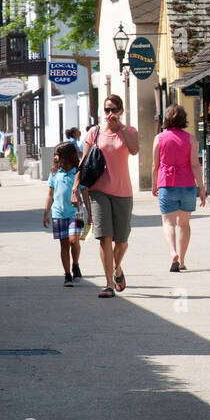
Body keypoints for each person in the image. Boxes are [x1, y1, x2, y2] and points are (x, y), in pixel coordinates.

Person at [74, 93, 139, 298]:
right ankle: (109, 283)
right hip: (98, 191)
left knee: (122, 240)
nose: (109, 113)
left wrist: (120, 128)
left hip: (122, 191)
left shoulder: (129, 131)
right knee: (105, 237)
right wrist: (76, 188)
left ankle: (117, 268)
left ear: (120, 111)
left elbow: (135, 150)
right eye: (106, 110)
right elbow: (83, 162)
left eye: (113, 110)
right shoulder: (94, 133)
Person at [152, 105, 206, 272]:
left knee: (168, 223)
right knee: (184, 224)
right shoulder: (190, 139)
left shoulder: (159, 138)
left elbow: (155, 165)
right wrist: (202, 188)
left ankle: (173, 253)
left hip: (166, 183)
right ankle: (181, 261)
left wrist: (154, 184)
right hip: (187, 184)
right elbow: (195, 165)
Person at [43, 142, 88, 287]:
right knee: (64, 245)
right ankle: (67, 274)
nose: (55, 158)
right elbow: (50, 194)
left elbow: (85, 193)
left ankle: (75, 264)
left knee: (74, 240)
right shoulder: (55, 173)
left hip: (76, 213)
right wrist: (46, 212)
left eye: (58, 155)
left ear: (67, 157)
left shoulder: (77, 173)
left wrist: (90, 213)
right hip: (58, 213)